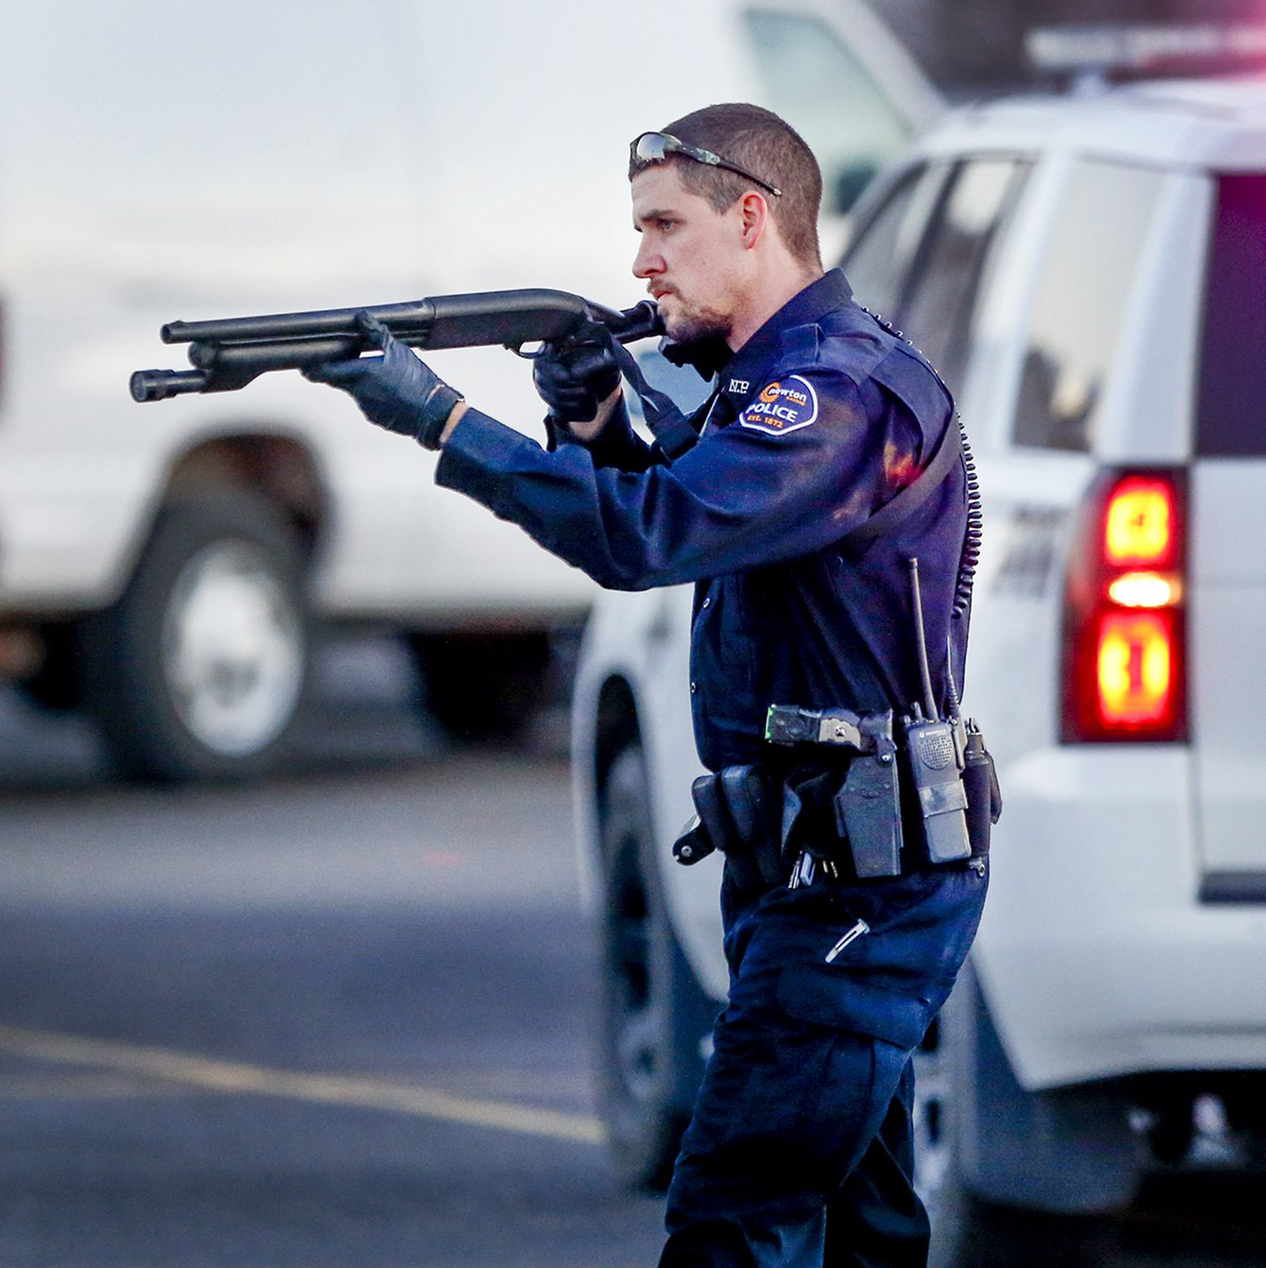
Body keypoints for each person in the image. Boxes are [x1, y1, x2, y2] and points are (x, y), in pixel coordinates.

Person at [302, 102, 988, 1268]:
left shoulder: (828, 391)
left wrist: (446, 421)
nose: (641, 261)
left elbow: (652, 533)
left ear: (753, 218)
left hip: (856, 884)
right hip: (817, 865)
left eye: (665, 225)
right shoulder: (779, 383)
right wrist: (604, 418)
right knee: (859, 1225)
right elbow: (707, 495)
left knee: (733, 1214)